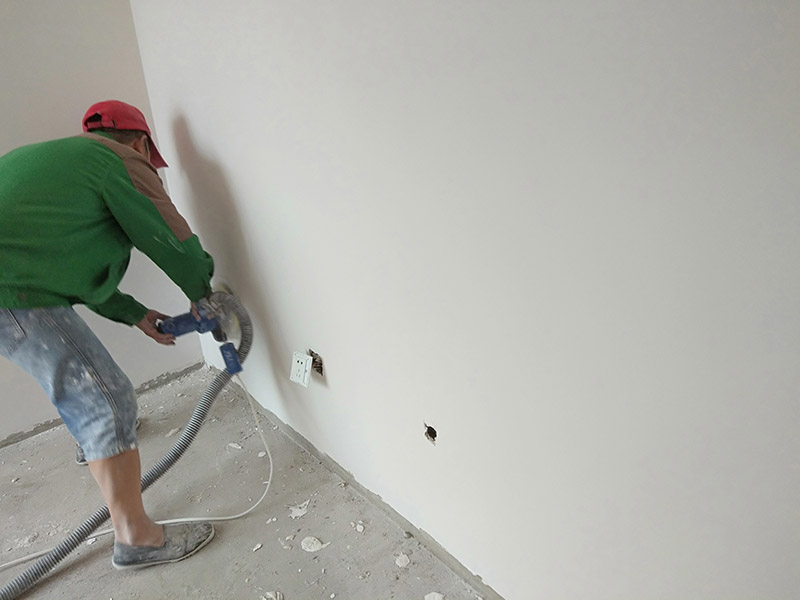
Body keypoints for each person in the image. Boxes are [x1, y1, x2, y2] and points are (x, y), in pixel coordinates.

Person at [0, 100, 215, 569]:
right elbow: (166, 235)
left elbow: (66, 268)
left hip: (16, 283)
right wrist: (202, 291)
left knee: (88, 392)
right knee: (106, 399)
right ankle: (137, 539)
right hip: (9, 289)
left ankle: (95, 443)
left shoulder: (59, 163)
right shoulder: (116, 160)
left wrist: (133, 313)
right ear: (141, 145)